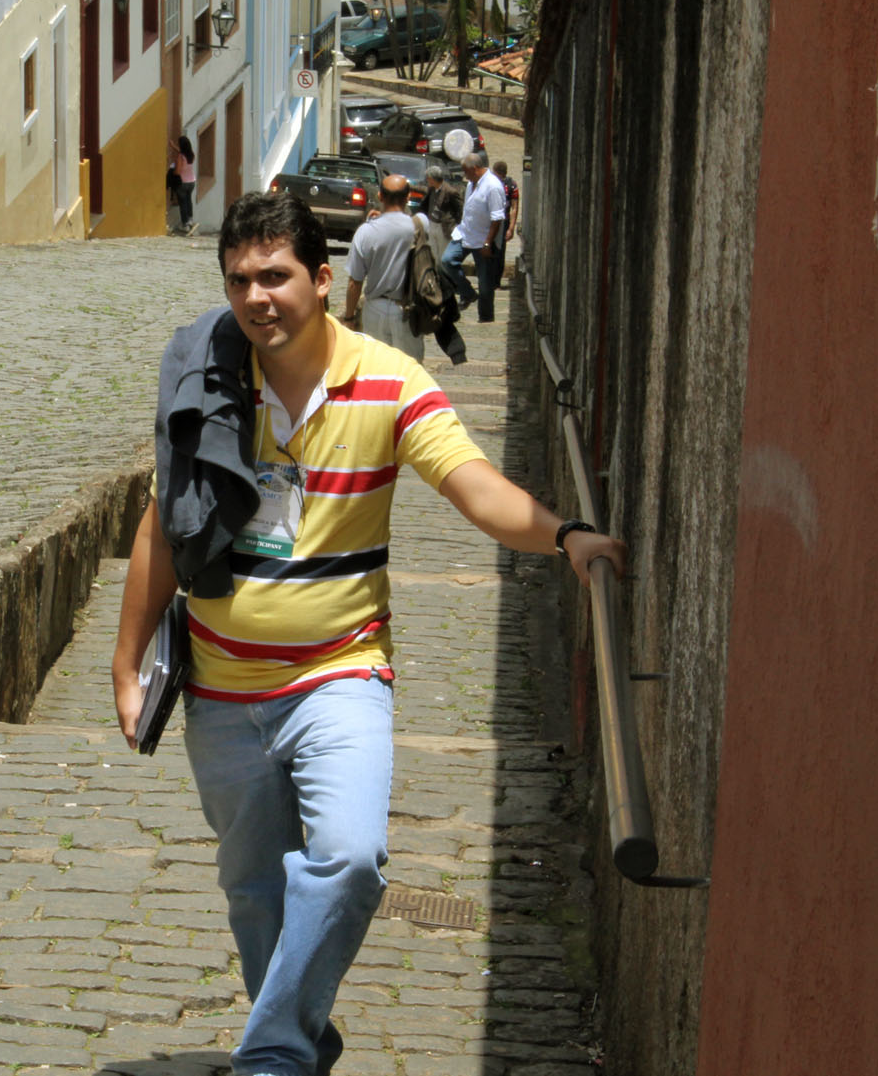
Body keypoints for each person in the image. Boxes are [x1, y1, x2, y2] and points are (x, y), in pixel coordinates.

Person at [111, 191, 626, 1076]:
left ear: (323, 279)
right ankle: (297, 1045)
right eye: (238, 280)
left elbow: (473, 484)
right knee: (255, 893)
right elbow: (164, 525)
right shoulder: (211, 378)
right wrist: (126, 665)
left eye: (275, 276)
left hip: (339, 673)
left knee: (348, 859)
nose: (255, 297)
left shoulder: (390, 381)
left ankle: (272, 1056)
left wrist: (564, 535)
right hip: (222, 692)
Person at [342, 176, 422, 360]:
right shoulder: (419, 226)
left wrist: (349, 317)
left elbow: (355, 282)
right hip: (408, 309)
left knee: (376, 366)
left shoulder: (366, 232)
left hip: (375, 309)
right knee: (409, 369)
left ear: (380, 196)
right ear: (408, 197)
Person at [439, 151, 505, 322]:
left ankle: (486, 317)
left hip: (483, 239)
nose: (464, 175)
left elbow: (497, 218)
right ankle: (467, 292)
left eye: (466, 171)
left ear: (475, 168)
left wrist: (488, 242)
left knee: (485, 283)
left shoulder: (493, 186)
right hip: (465, 233)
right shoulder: (471, 184)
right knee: (447, 261)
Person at [171, 136, 197, 235]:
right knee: (188, 200)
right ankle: (190, 220)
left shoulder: (180, 157)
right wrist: (174, 147)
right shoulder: (191, 155)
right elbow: (182, 152)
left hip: (182, 182)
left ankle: (185, 224)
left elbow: (177, 172)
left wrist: (172, 170)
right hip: (192, 182)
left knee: (182, 203)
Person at [492, 159, 520, 245]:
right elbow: (514, 208)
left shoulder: (511, 185)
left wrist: (510, 229)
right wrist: (511, 228)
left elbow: (514, 208)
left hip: (498, 222)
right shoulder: (512, 185)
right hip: (500, 222)